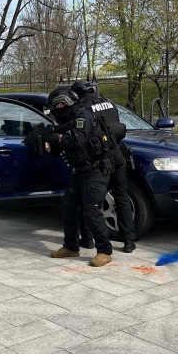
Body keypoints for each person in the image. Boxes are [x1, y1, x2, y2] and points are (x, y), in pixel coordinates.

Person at [46, 86, 113, 267]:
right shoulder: (66, 120)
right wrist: (51, 144)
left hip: (95, 170)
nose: (59, 107)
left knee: (92, 211)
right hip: (80, 171)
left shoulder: (82, 115)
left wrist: (58, 138)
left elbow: (77, 140)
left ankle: (105, 251)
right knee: (68, 206)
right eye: (56, 105)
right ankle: (71, 247)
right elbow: (63, 149)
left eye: (62, 103)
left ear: (69, 102)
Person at [71, 80, 136, 253]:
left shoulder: (82, 109)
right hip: (119, 155)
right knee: (121, 196)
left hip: (100, 160)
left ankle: (88, 239)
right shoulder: (109, 103)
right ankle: (129, 241)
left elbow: (79, 136)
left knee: (90, 201)